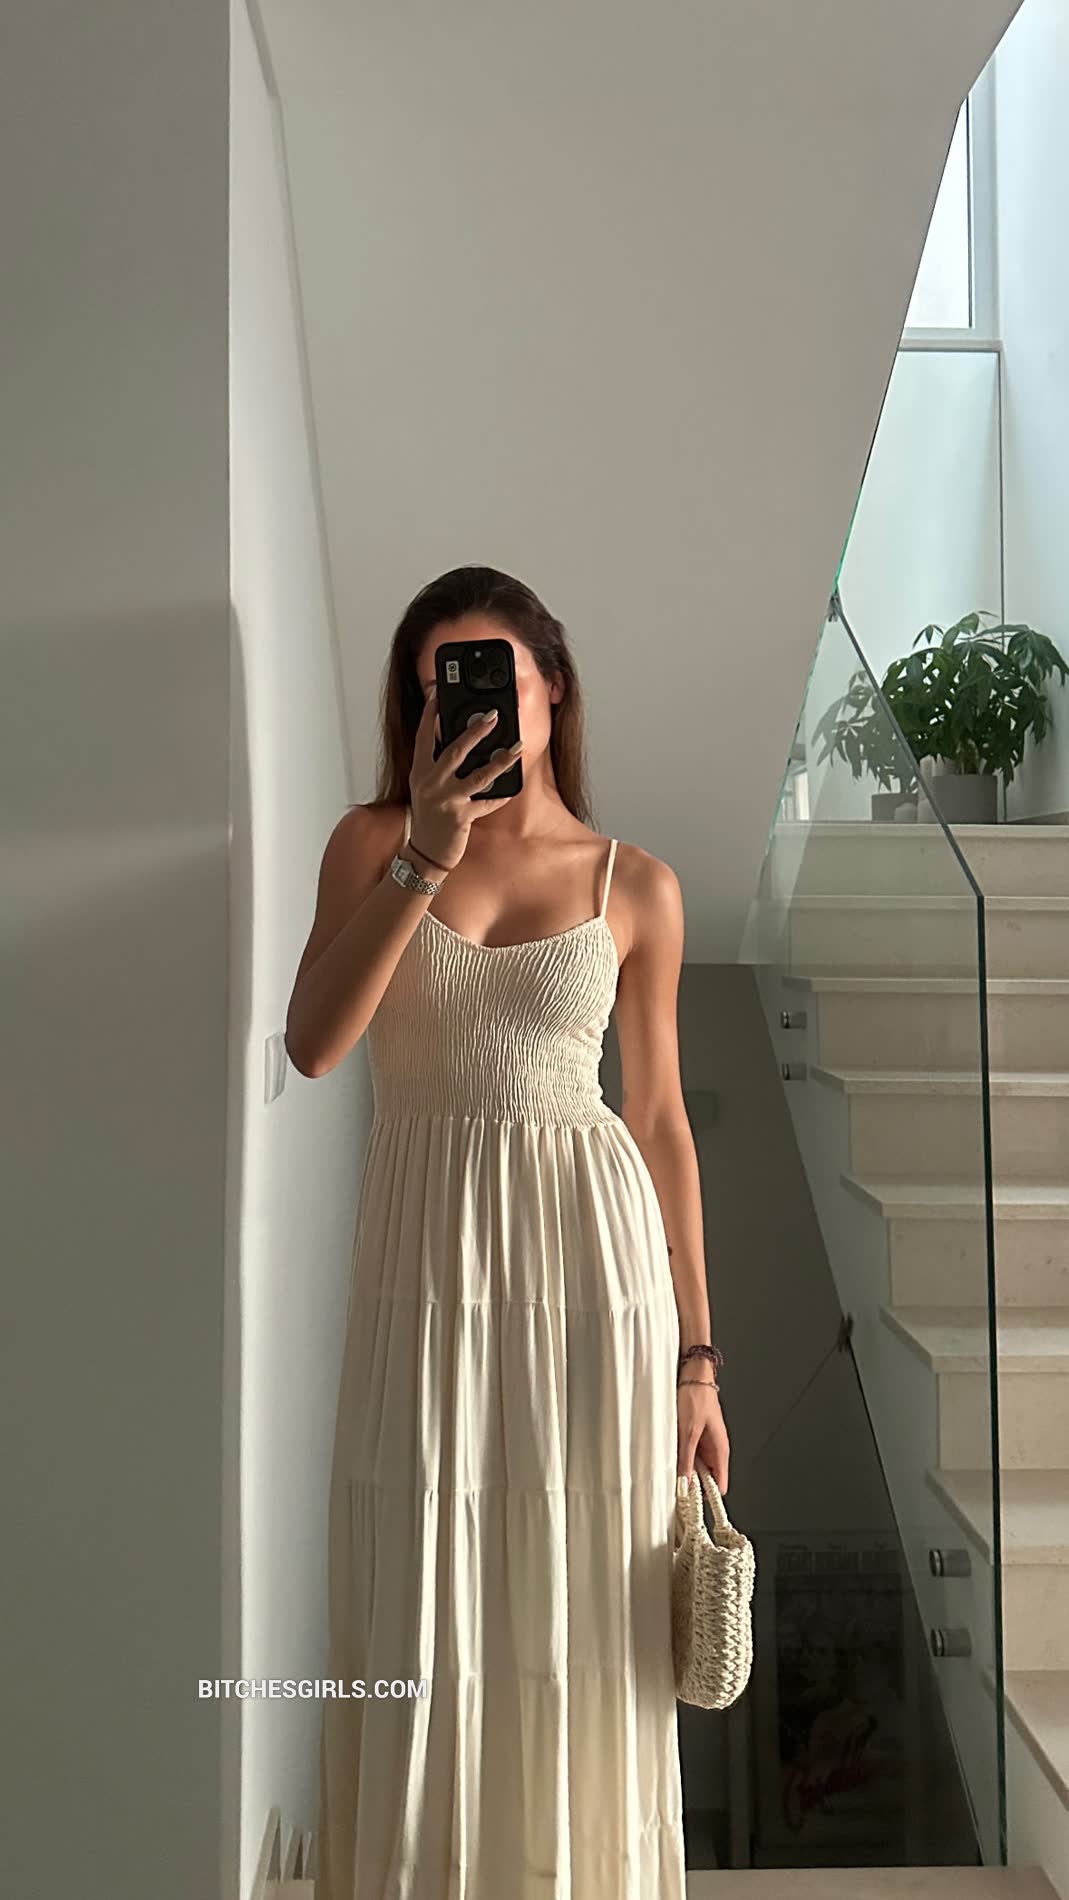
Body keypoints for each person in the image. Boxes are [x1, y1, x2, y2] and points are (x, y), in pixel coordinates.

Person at [285, 565, 730, 1899]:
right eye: (439, 686)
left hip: (593, 1273)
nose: (468, 706)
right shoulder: (371, 845)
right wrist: (425, 851)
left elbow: (659, 1122)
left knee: (581, 1602)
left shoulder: (635, 884)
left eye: (493, 677)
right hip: (424, 1267)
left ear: (551, 691)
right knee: (421, 1582)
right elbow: (314, 1046)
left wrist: (697, 1362)